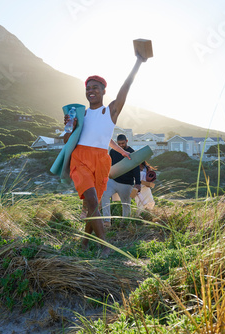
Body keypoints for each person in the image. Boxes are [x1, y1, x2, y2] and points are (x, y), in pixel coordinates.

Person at [64, 55, 144, 257]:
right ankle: (105, 246)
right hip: (80, 158)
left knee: (95, 205)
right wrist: (68, 127)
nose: (91, 91)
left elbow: (126, 88)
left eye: (95, 87)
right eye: (88, 88)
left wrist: (138, 62)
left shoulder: (110, 112)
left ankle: (84, 243)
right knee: (91, 200)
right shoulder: (79, 114)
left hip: (101, 161)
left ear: (103, 91)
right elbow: (67, 142)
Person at [101, 134, 141, 227]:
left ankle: (125, 223)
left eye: (123, 143)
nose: (121, 145)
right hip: (113, 180)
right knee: (104, 195)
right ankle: (107, 221)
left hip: (126, 183)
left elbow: (136, 169)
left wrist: (138, 183)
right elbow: (109, 165)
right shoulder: (113, 151)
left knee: (126, 204)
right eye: (119, 144)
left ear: (127, 141)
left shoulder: (132, 152)